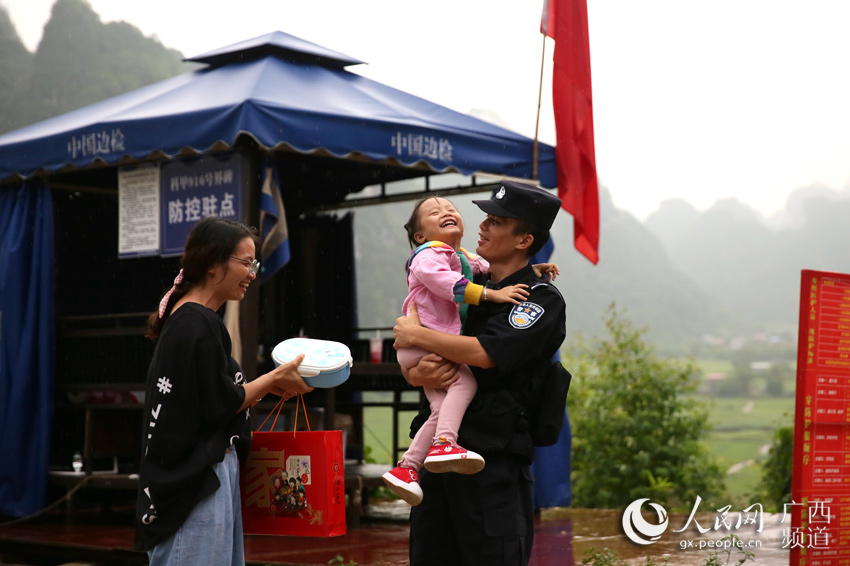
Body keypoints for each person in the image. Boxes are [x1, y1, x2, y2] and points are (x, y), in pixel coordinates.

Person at [393, 181, 567, 566]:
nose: (482, 226)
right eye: (486, 217)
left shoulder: (537, 298)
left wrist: (416, 334)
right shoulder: (466, 286)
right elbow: (425, 363)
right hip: (438, 461)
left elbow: (485, 354)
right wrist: (417, 373)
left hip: (491, 463)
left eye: (497, 221)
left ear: (524, 240)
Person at [134, 217, 313, 565]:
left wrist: (268, 387)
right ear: (213, 264)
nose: (252, 273)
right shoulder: (196, 321)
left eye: (254, 263)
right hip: (196, 480)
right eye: (246, 263)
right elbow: (221, 403)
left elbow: (214, 400)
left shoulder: (192, 319)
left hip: (199, 475)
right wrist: (276, 378)